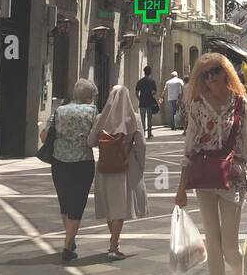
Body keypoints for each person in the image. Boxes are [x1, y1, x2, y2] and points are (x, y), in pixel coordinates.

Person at [176, 53, 247, 275]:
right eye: (204, 75)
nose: (210, 78)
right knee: (212, 242)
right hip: (204, 176)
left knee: (229, 246)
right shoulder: (197, 107)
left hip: (233, 178)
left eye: (214, 72)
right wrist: (180, 188)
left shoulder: (239, 103)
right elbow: (189, 148)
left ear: (225, 73)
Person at [41, 77, 99, 261]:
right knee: (77, 203)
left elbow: (43, 136)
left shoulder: (59, 111)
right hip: (82, 162)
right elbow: (95, 137)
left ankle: (70, 238)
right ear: (89, 96)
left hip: (59, 162)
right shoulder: (91, 111)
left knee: (65, 202)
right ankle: (67, 245)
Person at [87, 84, 147, 259]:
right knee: (120, 205)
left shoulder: (101, 118)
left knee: (109, 205)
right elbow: (141, 144)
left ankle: (114, 240)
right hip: (125, 166)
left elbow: (90, 141)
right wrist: (140, 164)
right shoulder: (134, 118)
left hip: (105, 167)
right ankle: (114, 245)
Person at [135, 68, 159, 139]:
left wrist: (140, 99)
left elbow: (136, 92)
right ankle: (149, 134)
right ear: (150, 72)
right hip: (150, 102)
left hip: (142, 103)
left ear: (144, 72)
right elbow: (154, 92)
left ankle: (142, 134)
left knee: (142, 119)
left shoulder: (140, 81)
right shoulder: (152, 81)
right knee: (149, 118)